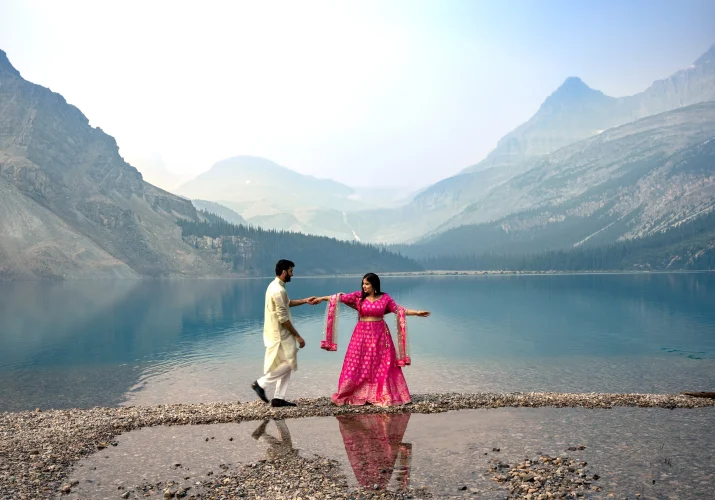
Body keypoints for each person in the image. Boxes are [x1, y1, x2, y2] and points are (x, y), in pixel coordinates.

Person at [314, 272, 430, 406]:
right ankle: (354, 392)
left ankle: (382, 393)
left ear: (374, 285)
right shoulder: (358, 296)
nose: (364, 286)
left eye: (367, 284)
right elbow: (338, 298)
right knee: (358, 363)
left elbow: (398, 310)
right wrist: (321, 298)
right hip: (361, 334)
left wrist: (416, 313)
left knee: (383, 364)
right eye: (363, 283)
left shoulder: (385, 298)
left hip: (380, 335)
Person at [251, 259, 316, 407]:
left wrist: (305, 300)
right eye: (291, 271)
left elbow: (286, 303)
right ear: (284, 272)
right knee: (289, 362)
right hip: (281, 334)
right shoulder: (278, 290)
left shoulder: (274, 286)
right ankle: (260, 384)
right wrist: (298, 336)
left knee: (285, 362)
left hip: (275, 332)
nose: (292, 274)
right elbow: (283, 319)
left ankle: (278, 398)